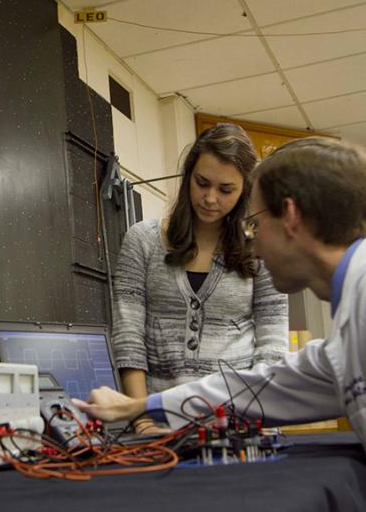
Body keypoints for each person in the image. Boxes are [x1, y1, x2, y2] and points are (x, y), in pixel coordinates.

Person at [74, 136, 366, 451]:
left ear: (291, 217)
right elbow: (263, 389)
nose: (252, 247)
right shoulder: (345, 338)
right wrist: (137, 408)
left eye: (253, 226)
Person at [112, 123, 288, 432]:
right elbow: (129, 339)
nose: (209, 198)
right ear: (187, 177)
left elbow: (272, 345)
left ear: (244, 190)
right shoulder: (142, 241)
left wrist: (256, 419)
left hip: (241, 424)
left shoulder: (261, 247)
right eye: (201, 182)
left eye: (225, 190)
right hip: (159, 424)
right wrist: (141, 420)